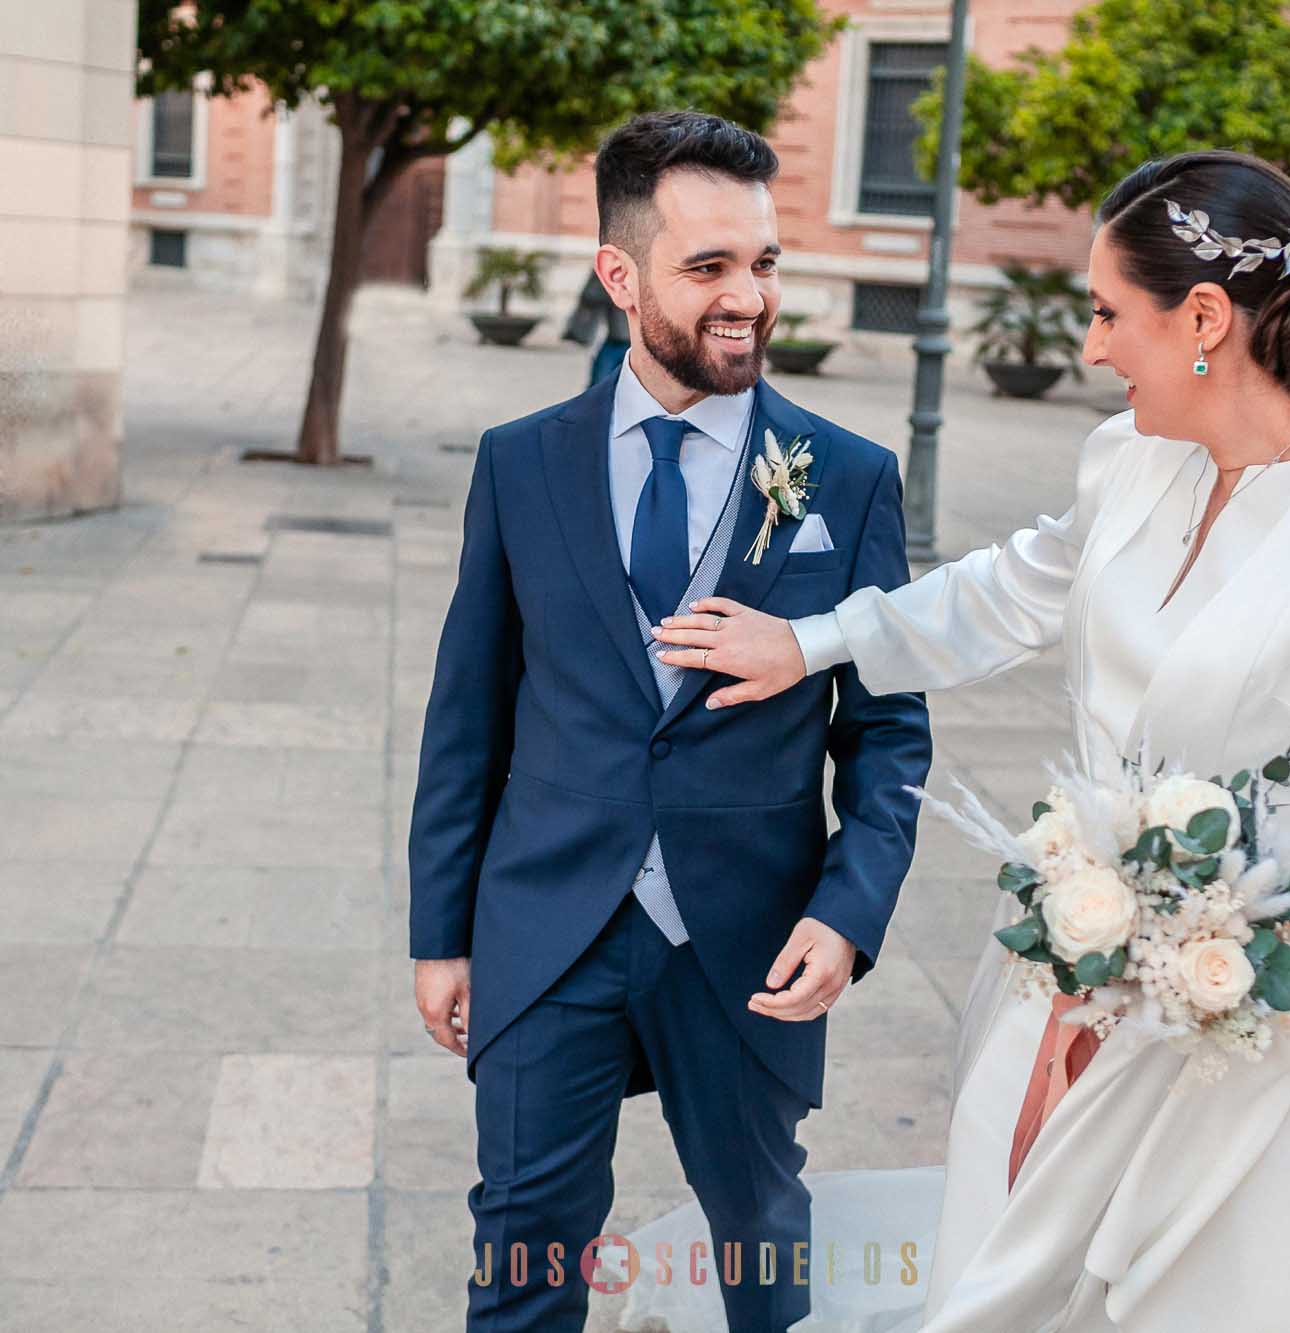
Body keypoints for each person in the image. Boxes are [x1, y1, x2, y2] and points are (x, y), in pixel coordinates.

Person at [639, 150, 1290, 1330]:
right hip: (1053, 975)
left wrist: (1242, 957)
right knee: (994, 1268)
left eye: (1108, 313)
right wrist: (808, 643)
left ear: (1202, 317)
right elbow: (1005, 591)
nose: (1093, 348)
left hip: (1228, 1039)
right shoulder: (1129, 462)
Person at [407, 110, 932, 1333]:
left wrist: (846, 915)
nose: (747, 297)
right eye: (708, 269)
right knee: (522, 1247)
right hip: (547, 924)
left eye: (763, 263)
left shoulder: (843, 476)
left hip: (746, 937)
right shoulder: (520, 463)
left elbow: (887, 733)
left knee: (757, 1239)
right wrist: (442, 930)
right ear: (619, 275)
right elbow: (467, 715)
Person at [563, 266, 634, 386]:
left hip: (635, 341)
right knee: (598, 387)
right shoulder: (613, 265)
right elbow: (590, 295)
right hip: (618, 338)